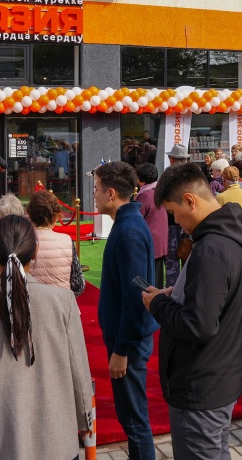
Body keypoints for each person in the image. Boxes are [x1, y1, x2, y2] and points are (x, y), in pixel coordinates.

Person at [0, 216, 93, 460]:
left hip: (0, 444)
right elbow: (79, 370)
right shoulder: (62, 302)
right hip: (56, 440)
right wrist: (86, 417)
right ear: (35, 251)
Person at [142, 163, 242, 460]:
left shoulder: (210, 249)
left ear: (190, 200)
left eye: (174, 213)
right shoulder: (232, 233)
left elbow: (198, 325)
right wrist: (178, 293)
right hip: (221, 375)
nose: (177, 223)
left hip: (200, 383)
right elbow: (219, 299)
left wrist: (158, 304)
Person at [95, 161, 158, 460]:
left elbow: (136, 297)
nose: (93, 195)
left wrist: (121, 350)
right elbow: (136, 285)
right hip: (127, 338)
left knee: (134, 421)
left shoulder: (129, 230)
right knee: (131, 418)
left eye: (96, 189)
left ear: (111, 193)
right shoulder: (127, 224)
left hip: (129, 343)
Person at [27, 191, 85, 296]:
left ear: (30, 215)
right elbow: (78, 284)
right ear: (55, 217)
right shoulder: (66, 240)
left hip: (31, 303)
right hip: (62, 303)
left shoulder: (22, 240)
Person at [136, 163, 169, 289]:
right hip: (160, 242)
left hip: (150, 243)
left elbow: (137, 218)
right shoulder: (159, 191)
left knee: (149, 282)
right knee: (158, 279)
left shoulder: (145, 195)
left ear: (140, 179)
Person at [165, 143, 192, 287]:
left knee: (172, 260)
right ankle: (187, 288)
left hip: (172, 223)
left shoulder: (168, 176)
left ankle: (173, 291)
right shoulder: (193, 176)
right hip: (190, 222)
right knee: (189, 257)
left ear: (172, 159)